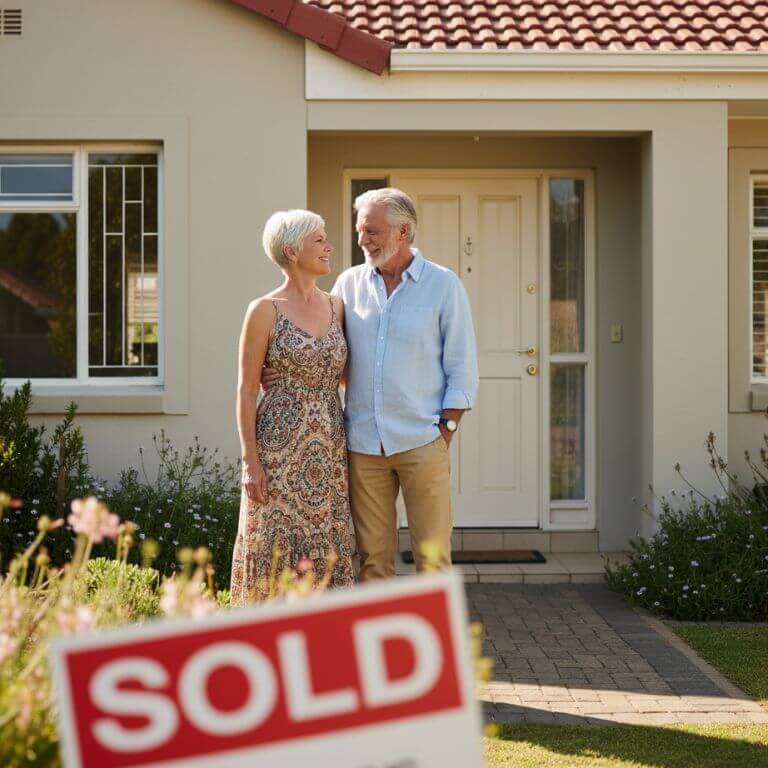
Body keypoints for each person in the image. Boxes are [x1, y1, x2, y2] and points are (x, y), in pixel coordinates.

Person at [263, 188, 478, 580]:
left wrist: (444, 430)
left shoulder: (444, 287)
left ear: (404, 231)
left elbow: (462, 369)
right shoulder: (348, 285)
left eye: (373, 231)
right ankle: (384, 641)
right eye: (361, 231)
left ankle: (433, 641)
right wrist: (278, 369)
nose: (362, 240)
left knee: (433, 560)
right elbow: (327, 348)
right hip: (363, 445)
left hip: (422, 441)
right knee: (373, 560)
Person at [230, 209, 354, 604]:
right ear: (291, 250)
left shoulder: (337, 307)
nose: (328, 247)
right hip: (277, 454)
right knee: (273, 548)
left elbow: (347, 375)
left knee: (327, 550)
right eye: (319, 240)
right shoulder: (264, 310)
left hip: (328, 453)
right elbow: (247, 390)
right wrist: (251, 462)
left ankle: (322, 649)